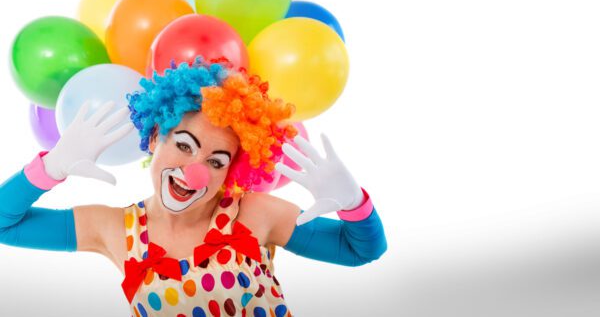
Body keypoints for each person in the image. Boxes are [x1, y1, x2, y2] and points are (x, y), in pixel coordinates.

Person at [0, 57, 387, 317]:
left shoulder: (255, 213)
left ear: (230, 170)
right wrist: (49, 169)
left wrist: (353, 202)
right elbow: (5, 224)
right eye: (184, 145)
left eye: (216, 161)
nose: (195, 172)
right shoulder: (115, 229)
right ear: (154, 138)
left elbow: (361, 251)